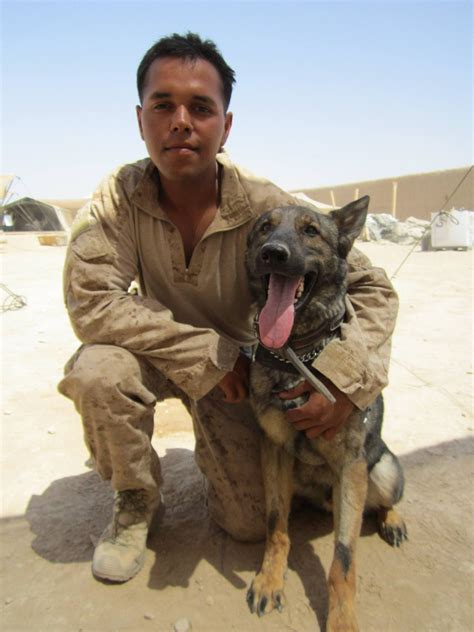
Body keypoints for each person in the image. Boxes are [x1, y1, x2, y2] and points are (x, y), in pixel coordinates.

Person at [58, 32, 398, 583]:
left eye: (201, 107)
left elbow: (373, 289)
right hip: (178, 358)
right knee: (99, 370)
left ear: (226, 124)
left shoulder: (266, 204)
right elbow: (91, 301)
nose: (181, 121)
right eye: (163, 105)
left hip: (242, 377)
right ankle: (135, 500)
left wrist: (346, 378)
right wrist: (206, 353)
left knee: (246, 524)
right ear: (140, 117)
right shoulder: (115, 199)